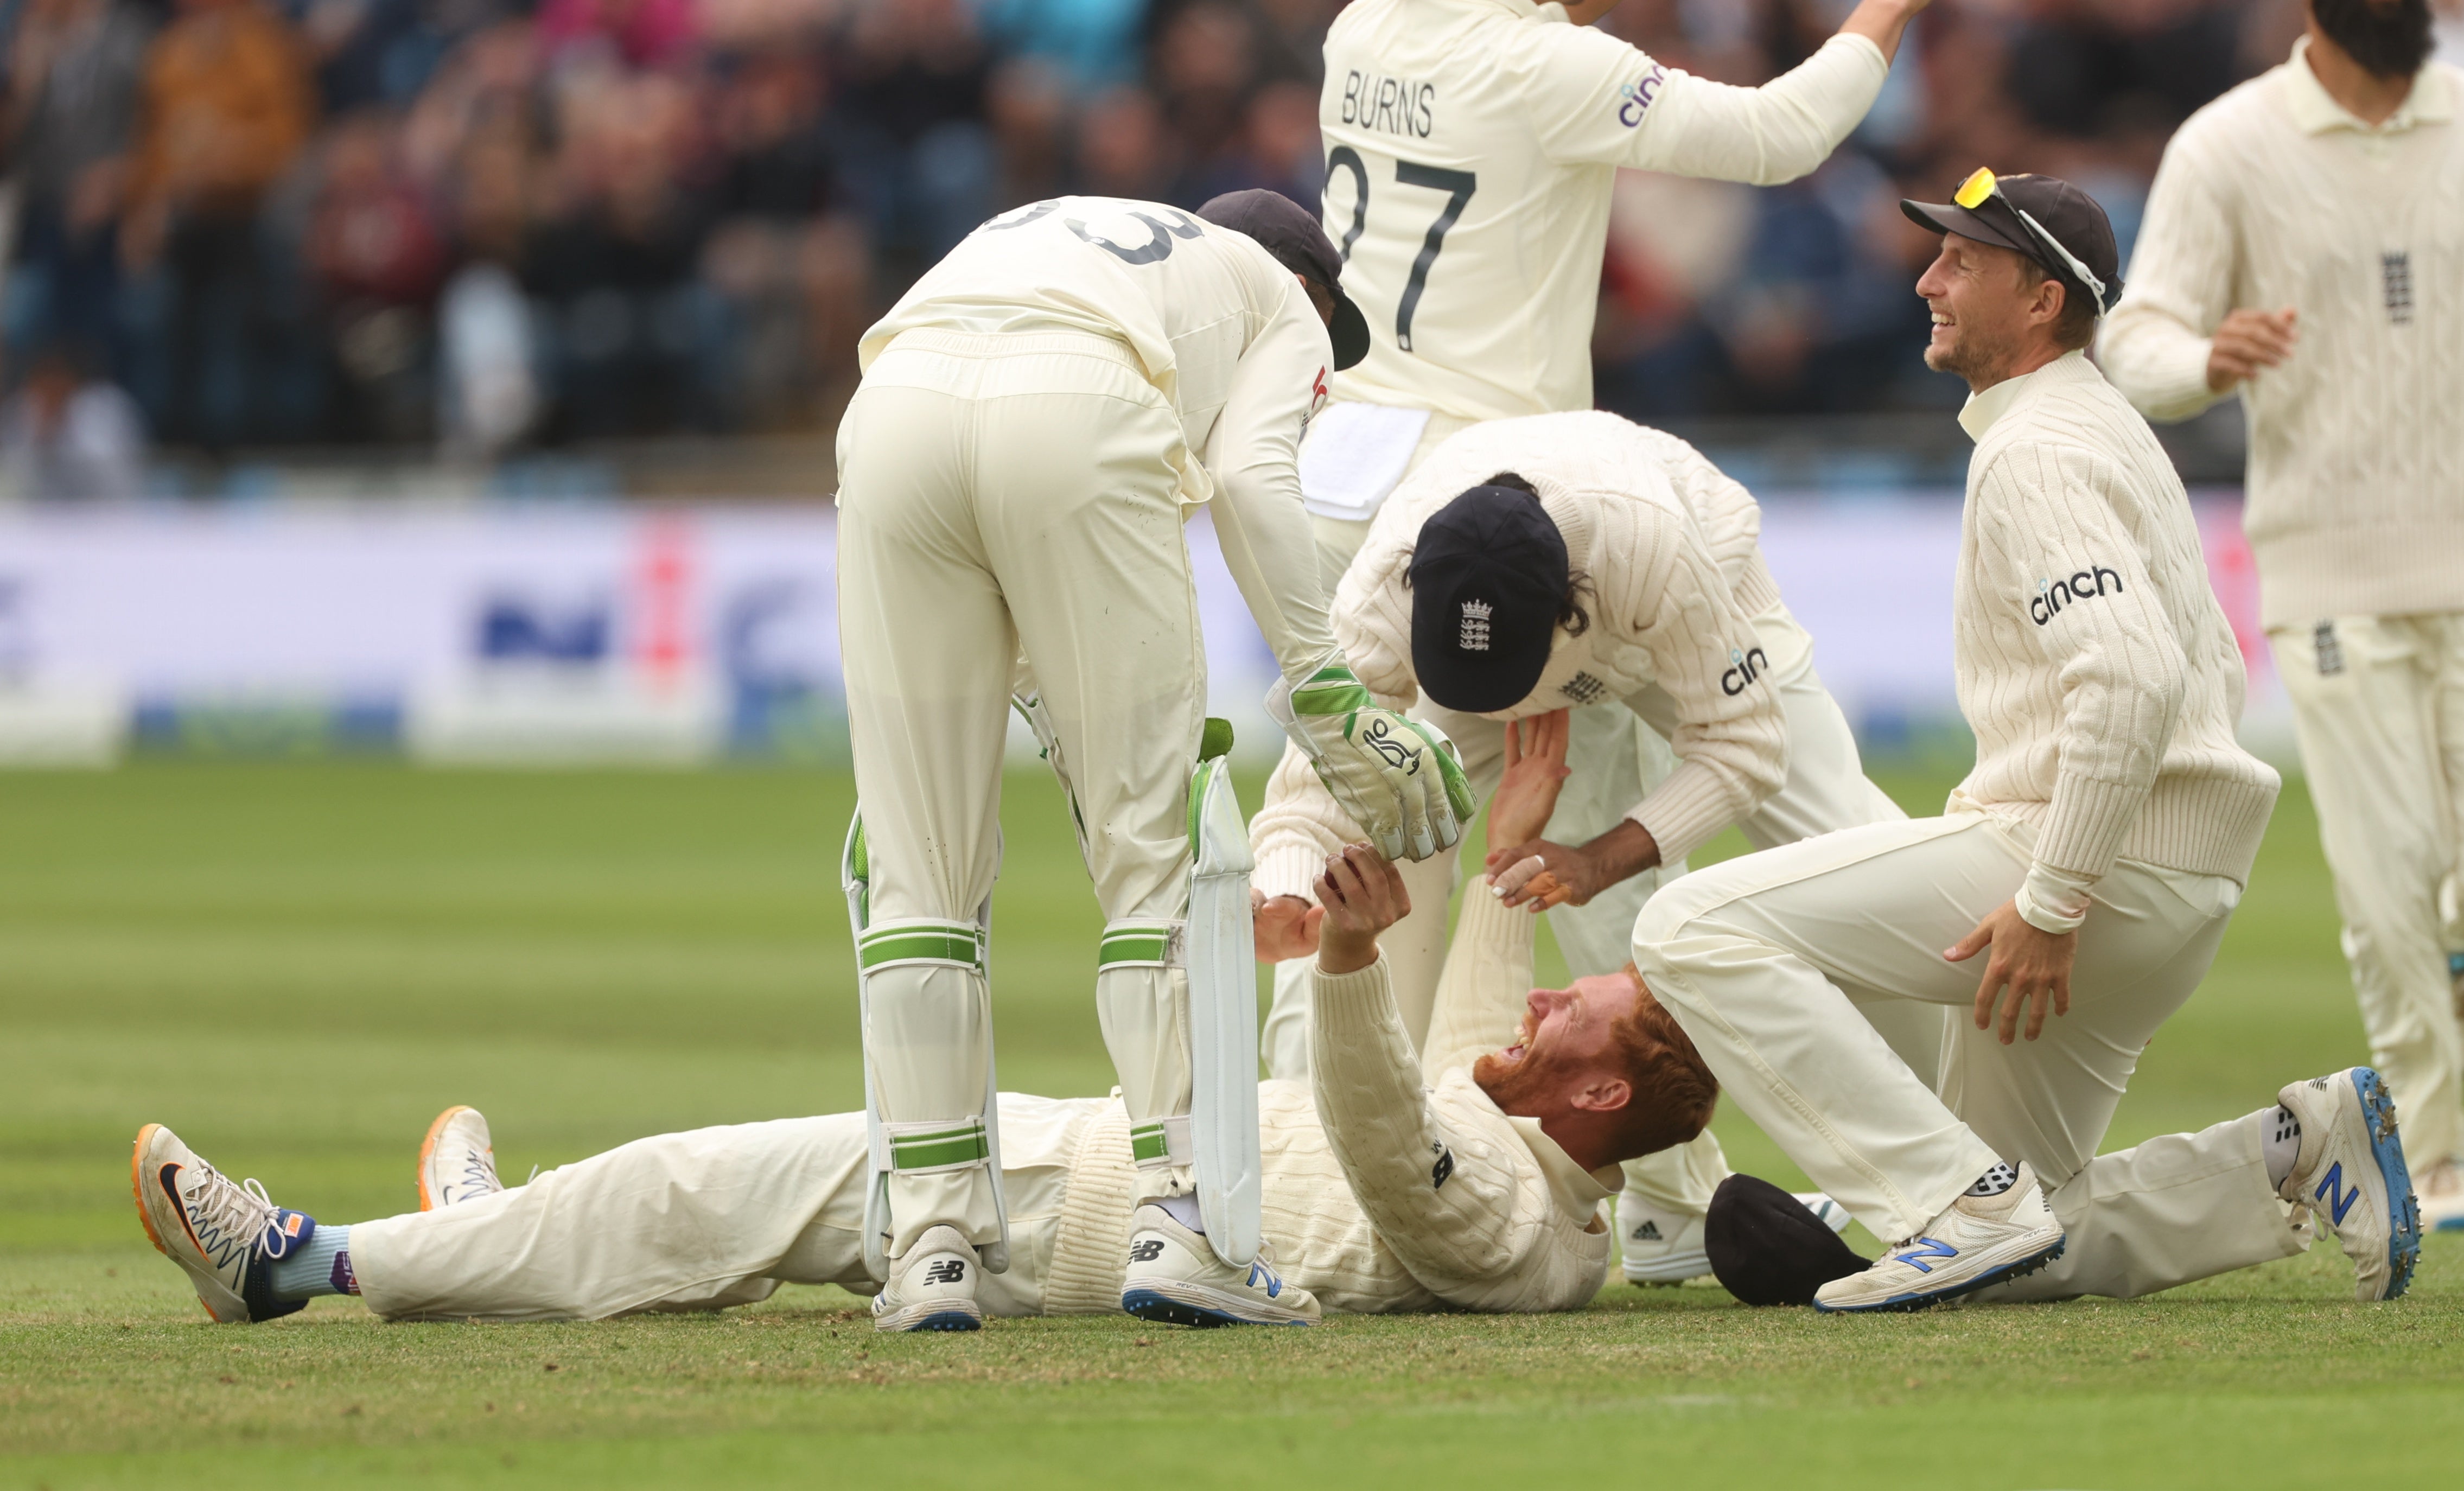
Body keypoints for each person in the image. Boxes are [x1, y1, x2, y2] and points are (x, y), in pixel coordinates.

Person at [127, 719, 1727, 1327]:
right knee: (701, 1231)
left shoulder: (1527, 1230)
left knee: (701, 1191)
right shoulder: (1526, 1136)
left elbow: (1391, 1145)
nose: (1546, 997)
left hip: (1056, 1216)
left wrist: (1345, 969)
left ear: (1597, 1096)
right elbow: (1454, 1040)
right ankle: (490, 1245)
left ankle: (294, 1261)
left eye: (1579, 1007)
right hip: (1075, 1170)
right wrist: (1506, 839)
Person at [1632, 169, 2422, 1311]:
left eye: (1962, 261)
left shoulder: (2037, 448)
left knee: (1689, 927)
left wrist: (2054, 901)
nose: (1927, 279)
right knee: (2034, 1236)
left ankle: (1948, 1205)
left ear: (2042, 299)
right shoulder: (2085, 423)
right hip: (2174, 875)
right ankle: (2299, 1148)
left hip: (2091, 868)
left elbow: (2134, 676)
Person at [1256, 0, 1932, 1279]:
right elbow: (1785, 134)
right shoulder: (1544, 63)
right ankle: (1721, 1194)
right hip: (1516, 508)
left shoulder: (1364, 29)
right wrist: (1887, 14)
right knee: (1666, 849)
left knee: (1379, 860)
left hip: (1363, 480)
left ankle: (1307, 1172)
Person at [834, 189, 1466, 1332]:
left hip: (892, 407)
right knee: (1156, 862)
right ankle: (1187, 1226)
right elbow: (1255, 483)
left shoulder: (1081, 235)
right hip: (1081, 406)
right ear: (1315, 291)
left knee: (919, 871)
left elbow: (987, 441)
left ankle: (930, 1248)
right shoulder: (1280, 301)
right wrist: (1330, 695)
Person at [1247, 410, 1927, 1284]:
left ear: (1570, 609)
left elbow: (1744, 746)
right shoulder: (1382, 589)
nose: (1507, 701)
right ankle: (1304, 1180)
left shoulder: (1656, 554)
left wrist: (1598, 857)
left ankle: (1954, 1194)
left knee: (1861, 861)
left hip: (1682, 614)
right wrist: (1286, 890)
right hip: (1526, 607)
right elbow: (1315, 781)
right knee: (1368, 857)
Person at [2097, 0, 2464, 1233]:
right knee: (2392, 879)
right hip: (2332, 573)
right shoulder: (2229, 144)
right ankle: (2449, 1162)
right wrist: (2207, 360)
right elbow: (2133, 338)